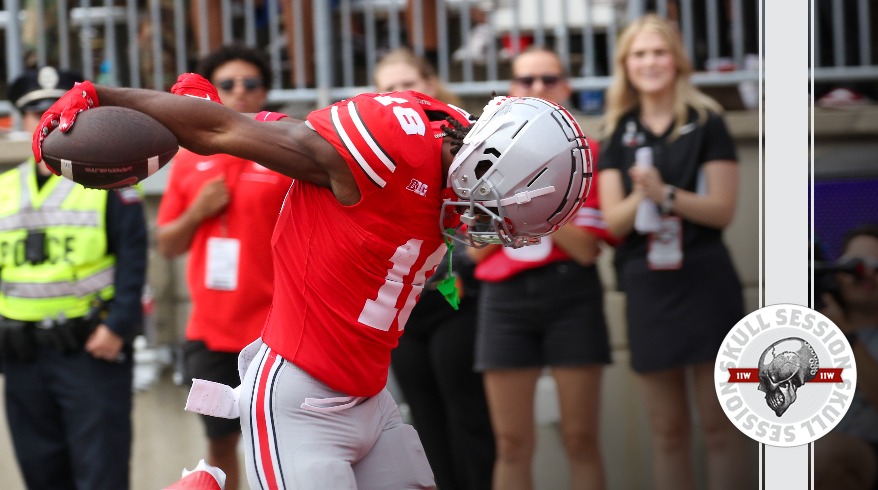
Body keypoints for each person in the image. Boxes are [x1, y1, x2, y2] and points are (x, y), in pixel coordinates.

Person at [32, 65, 593, 488]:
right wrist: (105, 96)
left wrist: (258, 123)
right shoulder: (395, 145)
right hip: (299, 400)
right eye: (493, 206)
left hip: (372, 397)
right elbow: (226, 134)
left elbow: (306, 150)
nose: (482, 224)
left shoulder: (447, 140)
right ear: (487, 155)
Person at [596, 14, 752, 490]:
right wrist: (641, 197)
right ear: (626, 64)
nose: (650, 62)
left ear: (677, 59)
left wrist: (665, 194)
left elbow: (722, 211)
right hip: (646, 282)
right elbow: (612, 223)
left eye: (659, 52)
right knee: (667, 432)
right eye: (640, 54)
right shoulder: (615, 129)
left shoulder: (707, 120)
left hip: (704, 280)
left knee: (720, 427)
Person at [467, 45, 617, 490]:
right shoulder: (484, 152)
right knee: (511, 443)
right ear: (511, 89)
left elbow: (587, 248)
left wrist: (534, 199)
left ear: (566, 86)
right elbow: (476, 250)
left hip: (570, 293)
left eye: (547, 80)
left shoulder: (587, 151)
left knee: (580, 438)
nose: (536, 89)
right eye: (525, 81)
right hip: (504, 301)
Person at [0, 66, 148, 489]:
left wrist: (118, 327)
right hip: (21, 356)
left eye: (56, 110)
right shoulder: (4, 188)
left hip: (90, 350)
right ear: (22, 122)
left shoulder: (109, 184)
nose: (45, 120)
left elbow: (134, 260)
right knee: (41, 474)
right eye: (35, 113)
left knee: (100, 474)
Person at [156, 44, 293, 490]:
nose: (239, 92)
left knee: (284, 444)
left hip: (277, 333)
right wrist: (198, 211)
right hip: (210, 335)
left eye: (250, 84)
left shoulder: (287, 153)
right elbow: (168, 244)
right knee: (217, 448)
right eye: (227, 84)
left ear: (265, 92)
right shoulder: (189, 159)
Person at [373, 47, 495, 490]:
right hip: (402, 307)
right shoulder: (373, 151)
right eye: (388, 88)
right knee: (421, 420)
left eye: (409, 82)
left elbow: (490, 214)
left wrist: (466, 251)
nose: (400, 94)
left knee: (467, 411)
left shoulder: (467, 140)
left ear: (431, 84)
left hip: (455, 293)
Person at [815, 223, 878, 490]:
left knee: (827, 453)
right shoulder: (807, 334)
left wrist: (846, 334)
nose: (866, 275)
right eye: (855, 265)